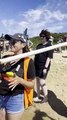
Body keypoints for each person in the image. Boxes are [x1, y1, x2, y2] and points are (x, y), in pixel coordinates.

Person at [0, 33, 35, 120]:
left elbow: (32, 85)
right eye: (10, 41)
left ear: (23, 45)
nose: (10, 43)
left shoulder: (28, 62)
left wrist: (20, 80)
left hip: (15, 99)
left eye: (14, 41)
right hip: (1, 96)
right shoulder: (5, 58)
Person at [34, 29, 53, 103]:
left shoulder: (49, 45)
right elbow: (36, 56)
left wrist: (45, 68)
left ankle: (45, 97)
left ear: (46, 37)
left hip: (44, 66)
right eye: (40, 36)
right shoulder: (39, 46)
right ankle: (38, 96)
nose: (41, 38)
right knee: (37, 81)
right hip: (37, 65)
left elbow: (49, 57)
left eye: (42, 36)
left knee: (42, 81)